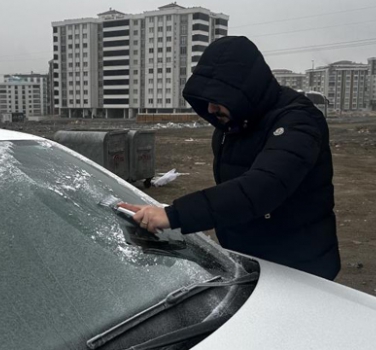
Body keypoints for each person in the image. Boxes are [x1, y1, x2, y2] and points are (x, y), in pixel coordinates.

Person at [121, 36, 340, 280]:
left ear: (245, 90)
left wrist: (175, 215)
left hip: (300, 268)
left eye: (218, 99)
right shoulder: (235, 125)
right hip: (251, 260)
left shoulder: (298, 121)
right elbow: (235, 191)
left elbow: (263, 187)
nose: (211, 109)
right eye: (207, 102)